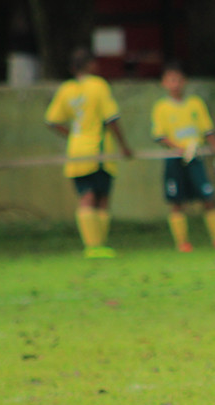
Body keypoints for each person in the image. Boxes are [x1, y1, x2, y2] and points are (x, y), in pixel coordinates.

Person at [45, 47, 133, 258]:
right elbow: (111, 119)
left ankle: (95, 246)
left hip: (76, 150)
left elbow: (52, 121)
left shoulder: (66, 89)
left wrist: (72, 135)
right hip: (98, 150)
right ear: (91, 65)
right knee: (99, 197)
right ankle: (95, 245)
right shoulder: (98, 86)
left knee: (86, 194)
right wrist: (124, 145)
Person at [151, 61, 215, 252]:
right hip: (174, 160)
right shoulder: (161, 107)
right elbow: (159, 136)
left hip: (196, 158)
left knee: (208, 197)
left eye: (178, 80)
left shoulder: (196, 104)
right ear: (164, 83)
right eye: (171, 80)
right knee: (176, 202)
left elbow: (208, 131)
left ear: (184, 81)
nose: (175, 84)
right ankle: (183, 243)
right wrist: (180, 149)